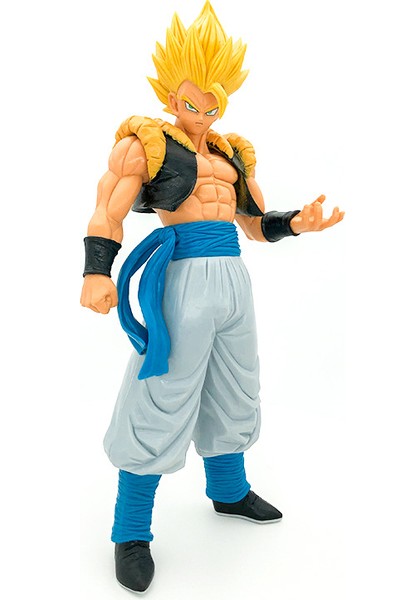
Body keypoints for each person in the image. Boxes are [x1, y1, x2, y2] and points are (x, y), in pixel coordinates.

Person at [80, 1, 344, 594]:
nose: (200, 113)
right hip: (182, 276)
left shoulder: (232, 153)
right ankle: (130, 528)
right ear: (171, 95)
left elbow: (252, 223)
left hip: (232, 277)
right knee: (162, 388)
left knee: (236, 382)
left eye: (212, 104)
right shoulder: (145, 144)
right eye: (190, 102)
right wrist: (96, 272)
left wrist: (295, 224)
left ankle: (228, 489)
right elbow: (108, 209)